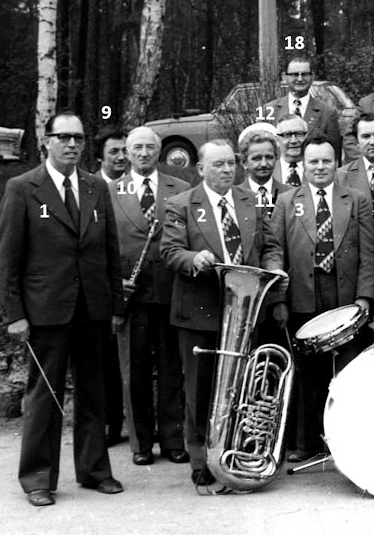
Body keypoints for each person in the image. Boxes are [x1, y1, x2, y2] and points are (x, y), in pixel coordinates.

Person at [0, 111, 125, 506]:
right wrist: (14, 313)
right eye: (63, 137)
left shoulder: (94, 188)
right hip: (45, 311)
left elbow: (110, 252)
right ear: (46, 142)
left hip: (92, 309)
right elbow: (7, 257)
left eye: (79, 138)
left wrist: (115, 304)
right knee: (44, 396)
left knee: (93, 394)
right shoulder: (23, 188)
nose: (72, 145)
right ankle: (38, 478)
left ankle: (94, 470)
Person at [262, 136, 374, 462]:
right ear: (303, 164)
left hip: (345, 300)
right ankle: (305, 442)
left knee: (348, 373)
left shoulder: (356, 199)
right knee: (306, 374)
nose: (320, 167)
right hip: (302, 297)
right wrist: (279, 301)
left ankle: (346, 442)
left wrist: (365, 297)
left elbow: (369, 254)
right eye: (313, 161)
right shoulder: (286, 201)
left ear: (337, 161)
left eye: (326, 161)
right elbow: (276, 253)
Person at [161, 139, 266, 485]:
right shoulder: (180, 204)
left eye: (231, 164)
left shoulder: (250, 200)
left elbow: (269, 246)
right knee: (201, 389)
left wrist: (275, 267)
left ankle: (236, 452)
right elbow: (170, 252)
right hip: (200, 310)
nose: (226, 170)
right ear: (200, 169)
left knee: (241, 387)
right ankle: (200, 461)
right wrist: (194, 259)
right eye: (218, 164)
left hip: (244, 310)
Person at [110, 126, 190, 466]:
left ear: (159, 152)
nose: (143, 153)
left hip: (171, 291)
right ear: (127, 153)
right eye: (137, 148)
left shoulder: (181, 189)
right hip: (132, 294)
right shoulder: (109, 191)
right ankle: (141, 444)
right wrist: (114, 281)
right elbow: (99, 245)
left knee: (173, 368)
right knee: (135, 370)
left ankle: (173, 440)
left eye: (150, 148)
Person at [93, 127, 129, 446]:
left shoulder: (138, 187)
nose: (121, 157)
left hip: (138, 286)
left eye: (124, 151)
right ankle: (110, 423)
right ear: (99, 157)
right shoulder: (91, 189)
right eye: (113, 152)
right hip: (104, 289)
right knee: (106, 361)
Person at [263, 57, 342, 161]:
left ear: (312, 77)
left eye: (304, 74)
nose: (300, 79)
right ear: (284, 77)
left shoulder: (328, 113)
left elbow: (334, 155)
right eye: (295, 74)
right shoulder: (269, 110)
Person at [236, 127, 290, 219]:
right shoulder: (234, 197)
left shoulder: (290, 194)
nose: (264, 164)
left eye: (269, 157)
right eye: (257, 158)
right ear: (244, 163)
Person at [274, 114, 309, 188]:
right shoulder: (268, 171)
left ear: (306, 137)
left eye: (299, 134)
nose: (293, 141)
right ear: (277, 140)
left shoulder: (318, 169)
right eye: (287, 135)